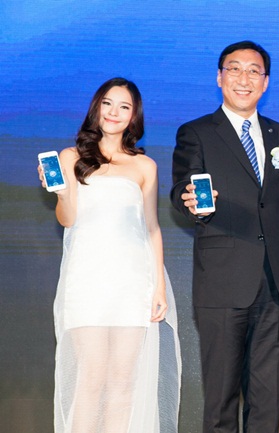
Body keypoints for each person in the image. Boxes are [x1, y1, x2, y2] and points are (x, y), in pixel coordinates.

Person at [170, 40, 279, 433]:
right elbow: (181, 188)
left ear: (265, 82)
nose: (244, 78)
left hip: (274, 281)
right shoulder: (197, 132)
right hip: (223, 279)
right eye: (235, 69)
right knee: (221, 399)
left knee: (266, 400)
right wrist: (191, 202)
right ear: (219, 77)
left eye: (253, 71)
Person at [39, 77, 181, 433]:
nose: (114, 112)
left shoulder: (144, 166)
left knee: (122, 382)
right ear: (96, 108)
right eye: (107, 103)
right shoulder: (71, 158)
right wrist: (61, 193)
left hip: (132, 283)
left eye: (124, 106)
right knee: (90, 377)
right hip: (87, 280)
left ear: (134, 116)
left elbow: (152, 228)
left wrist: (158, 288)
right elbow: (67, 219)